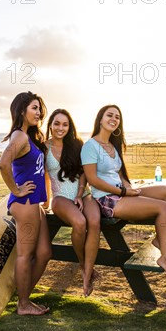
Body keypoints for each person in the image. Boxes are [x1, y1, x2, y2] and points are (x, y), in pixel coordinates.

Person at [81, 104, 166, 283]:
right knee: (162, 207)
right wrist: (123, 191)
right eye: (109, 115)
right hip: (106, 198)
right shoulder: (90, 146)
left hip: (121, 192)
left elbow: (119, 174)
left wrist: (131, 189)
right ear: (100, 120)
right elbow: (92, 179)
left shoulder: (112, 145)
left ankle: (160, 239)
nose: (113, 119)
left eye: (117, 117)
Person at [0, 91, 52, 315]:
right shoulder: (19, 136)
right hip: (25, 202)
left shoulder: (28, 137)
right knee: (25, 254)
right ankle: (23, 304)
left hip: (34, 203)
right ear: (22, 111)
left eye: (39, 108)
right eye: (34, 108)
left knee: (44, 252)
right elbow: (3, 164)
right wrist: (16, 190)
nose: (38, 113)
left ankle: (24, 296)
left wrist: (46, 197)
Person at [44, 109, 101, 296]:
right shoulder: (44, 148)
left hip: (83, 193)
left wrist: (79, 193)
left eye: (65, 124)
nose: (61, 128)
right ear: (50, 124)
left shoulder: (77, 145)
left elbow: (85, 171)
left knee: (94, 221)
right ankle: (85, 267)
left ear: (70, 127)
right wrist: (45, 202)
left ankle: (87, 270)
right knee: (80, 222)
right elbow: (44, 177)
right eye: (57, 123)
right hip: (60, 197)